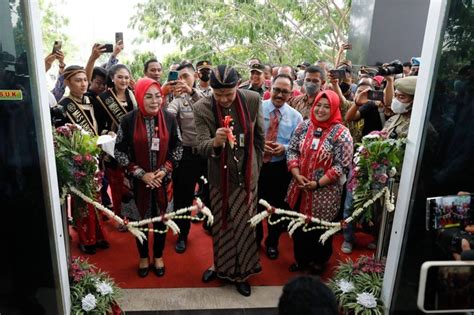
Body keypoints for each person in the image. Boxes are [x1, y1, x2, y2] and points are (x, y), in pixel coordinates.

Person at [194, 65, 264, 297]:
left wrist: (255, 170)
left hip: (247, 177)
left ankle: (243, 273)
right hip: (219, 178)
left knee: (245, 227)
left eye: (229, 94)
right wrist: (215, 142)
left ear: (238, 85)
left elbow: (259, 139)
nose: (224, 99)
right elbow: (200, 145)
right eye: (218, 94)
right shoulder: (202, 107)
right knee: (222, 225)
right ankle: (222, 268)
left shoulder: (252, 100)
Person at [114, 78, 182, 278]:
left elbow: (178, 147)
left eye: (158, 96)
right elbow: (119, 152)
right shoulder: (127, 120)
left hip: (163, 181)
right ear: (139, 96)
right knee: (140, 222)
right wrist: (141, 174)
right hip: (137, 184)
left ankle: (158, 256)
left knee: (161, 221)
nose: (155, 101)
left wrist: (164, 170)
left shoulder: (169, 119)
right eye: (149, 96)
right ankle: (143, 256)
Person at [286, 89, 353, 273]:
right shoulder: (304, 126)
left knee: (320, 230)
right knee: (299, 228)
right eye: (318, 105)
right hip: (299, 187)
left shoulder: (341, 133)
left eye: (326, 106)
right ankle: (301, 260)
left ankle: (318, 261)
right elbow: (292, 150)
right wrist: (296, 172)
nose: (321, 110)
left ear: (334, 108)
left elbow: (342, 165)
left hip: (325, 193)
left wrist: (317, 183)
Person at [55, 66, 108, 254]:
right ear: (67, 83)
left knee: (96, 198)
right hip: (75, 158)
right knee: (81, 199)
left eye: (85, 79)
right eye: (78, 80)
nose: (83, 83)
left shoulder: (90, 100)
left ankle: (98, 235)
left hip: (93, 155)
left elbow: (97, 126)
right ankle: (86, 239)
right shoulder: (62, 106)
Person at [256, 74, 303, 259]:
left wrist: (283, 148)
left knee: (276, 208)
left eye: (284, 91)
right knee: (255, 205)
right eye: (276, 90)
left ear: (290, 94)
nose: (279, 94)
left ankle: (272, 243)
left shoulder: (296, 116)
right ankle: (255, 239)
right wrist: (260, 145)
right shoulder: (257, 109)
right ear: (270, 88)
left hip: (279, 169)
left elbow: (298, 145)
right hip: (257, 166)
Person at [166, 61, 205, 253]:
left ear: (195, 77)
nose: (182, 81)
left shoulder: (207, 96)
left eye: (185, 77)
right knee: (183, 197)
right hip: (187, 155)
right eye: (178, 78)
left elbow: (208, 109)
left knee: (212, 194)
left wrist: (191, 92)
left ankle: (211, 223)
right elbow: (166, 117)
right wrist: (165, 95)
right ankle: (182, 234)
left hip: (208, 154)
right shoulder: (177, 101)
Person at [96, 64, 137, 217]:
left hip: (132, 147)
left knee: (132, 182)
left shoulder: (132, 95)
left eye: (126, 77)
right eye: (120, 77)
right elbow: (98, 125)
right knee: (117, 184)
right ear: (112, 78)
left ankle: (133, 215)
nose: (124, 80)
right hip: (113, 149)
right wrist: (109, 133)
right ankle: (120, 217)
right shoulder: (103, 99)